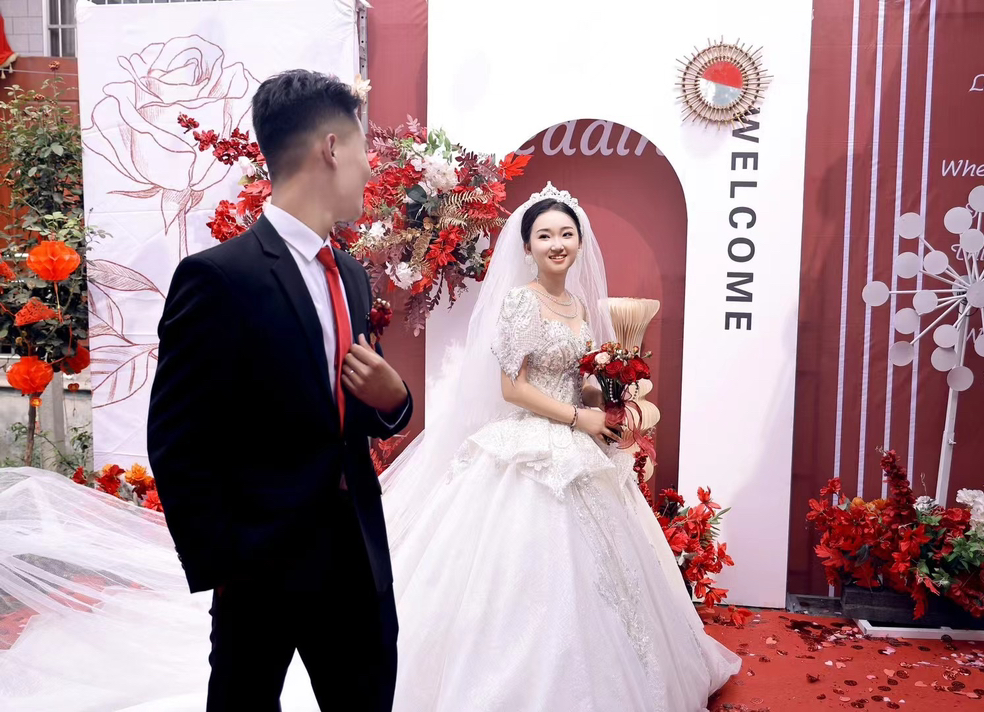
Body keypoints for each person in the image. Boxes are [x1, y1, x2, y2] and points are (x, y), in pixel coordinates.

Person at [380, 182, 741, 711]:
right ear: (527, 246)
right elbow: (513, 388)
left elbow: (581, 377)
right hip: (533, 439)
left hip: (580, 436)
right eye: (545, 235)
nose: (557, 244)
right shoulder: (520, 302)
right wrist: (580, 417)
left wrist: (609, 399)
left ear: (579, 242)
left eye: (566, 234)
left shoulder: (578, 304)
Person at [147, 69, 411, 711]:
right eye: (363, 148)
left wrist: (395, 400)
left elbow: (355, 401)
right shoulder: (219, 277)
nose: (370, 168)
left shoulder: (351, 275)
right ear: (331, 148)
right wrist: (228, 564)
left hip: (355, 559)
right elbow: (177, 442)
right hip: (259, 568)